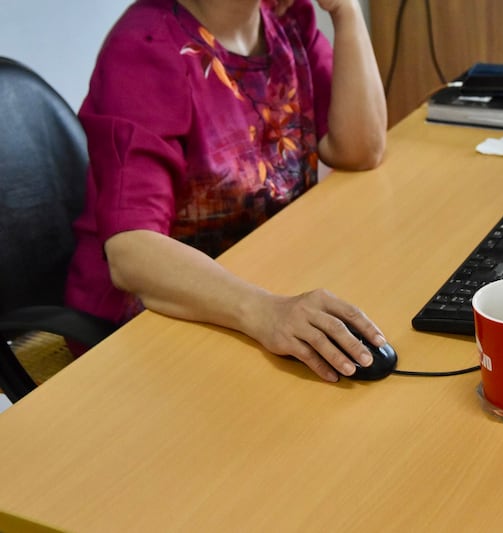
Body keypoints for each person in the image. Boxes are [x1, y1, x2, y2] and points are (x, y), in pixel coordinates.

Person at [65, 0, 388, 383]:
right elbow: (131, 252)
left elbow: (360, 149)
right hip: (157, 317)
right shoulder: (145, 49)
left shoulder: (286, 18)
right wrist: (266, 312)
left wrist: (346, 11)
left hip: (266, 284)